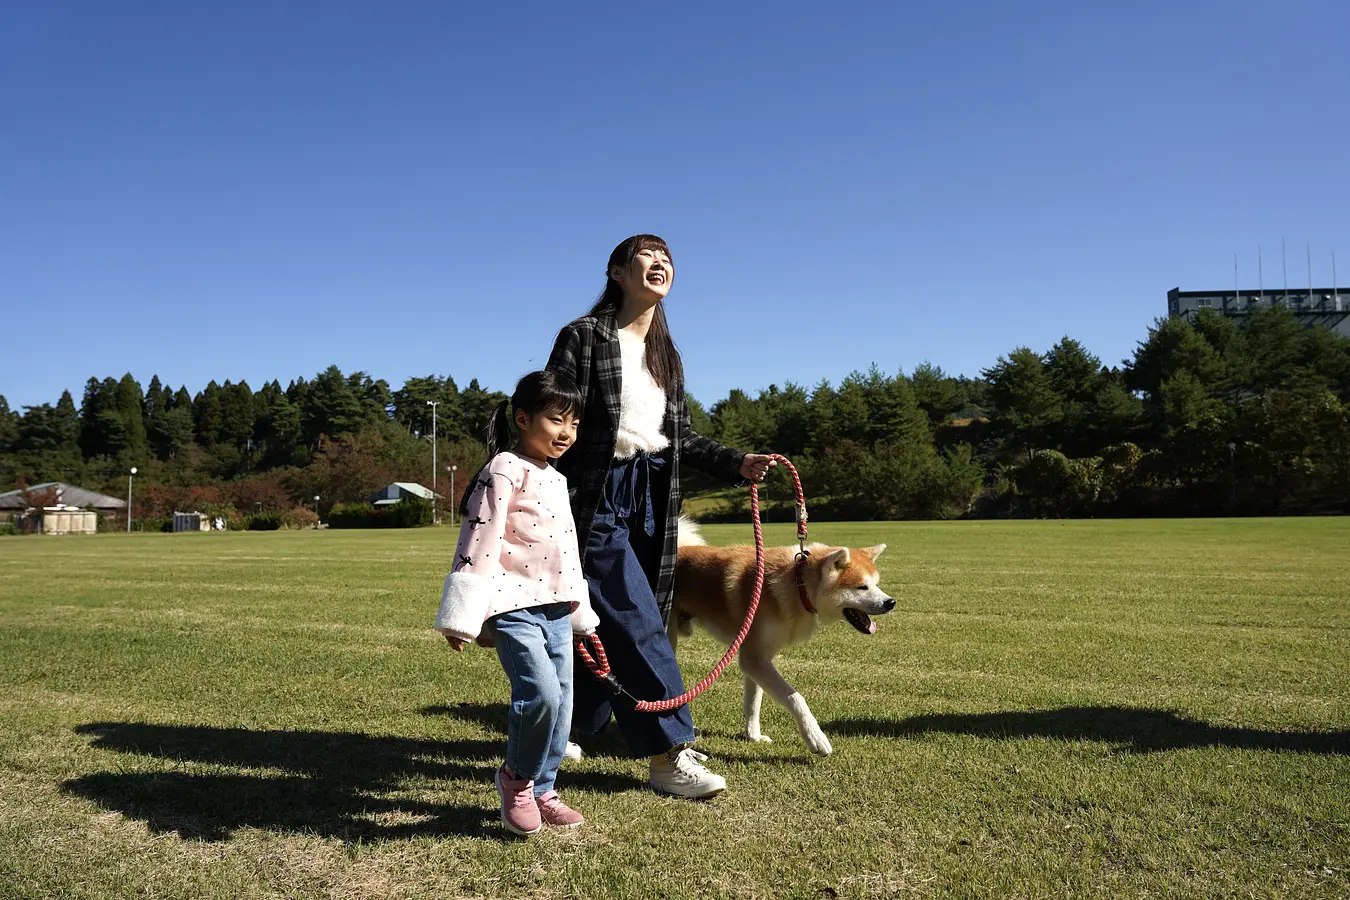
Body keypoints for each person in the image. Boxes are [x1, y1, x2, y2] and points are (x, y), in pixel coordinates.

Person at [547, 234, 777, 800]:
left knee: (619, 617)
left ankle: (577, 723)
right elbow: (557, 412)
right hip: (597, 492)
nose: (660, 264)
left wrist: (736, 463)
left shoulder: (666, 355)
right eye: (647, 256)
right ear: (619, 271)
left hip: (653, 494)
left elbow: (680, 437)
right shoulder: (583, 336)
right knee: (636, 616)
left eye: (667, 258)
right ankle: (669, 755)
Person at [434, 370, 600, 836]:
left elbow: (567, 547)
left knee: (563, 705)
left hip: (556, 609)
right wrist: (462, 615)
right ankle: (516, 781)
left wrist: (579, 610)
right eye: (555, 420)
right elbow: (479, 536)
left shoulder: (556, 477)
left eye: (574, 423)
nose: (566, 432)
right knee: (540, 695)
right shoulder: (504, 467)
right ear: (523, 418)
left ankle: (544, 789)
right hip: (513, 607)